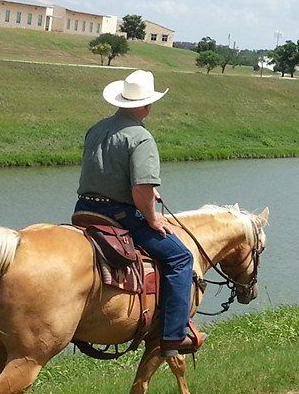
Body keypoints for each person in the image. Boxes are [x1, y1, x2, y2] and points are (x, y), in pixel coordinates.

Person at [75, 69, 203, 355]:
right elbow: (140, 191)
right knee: (181, 258)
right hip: (119, 215)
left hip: (84, 209)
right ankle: (173, 335)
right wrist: (153, 217)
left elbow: (105, 171)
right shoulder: (141, 137)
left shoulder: (96, 128)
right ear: (147, 105)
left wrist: (143, 191)